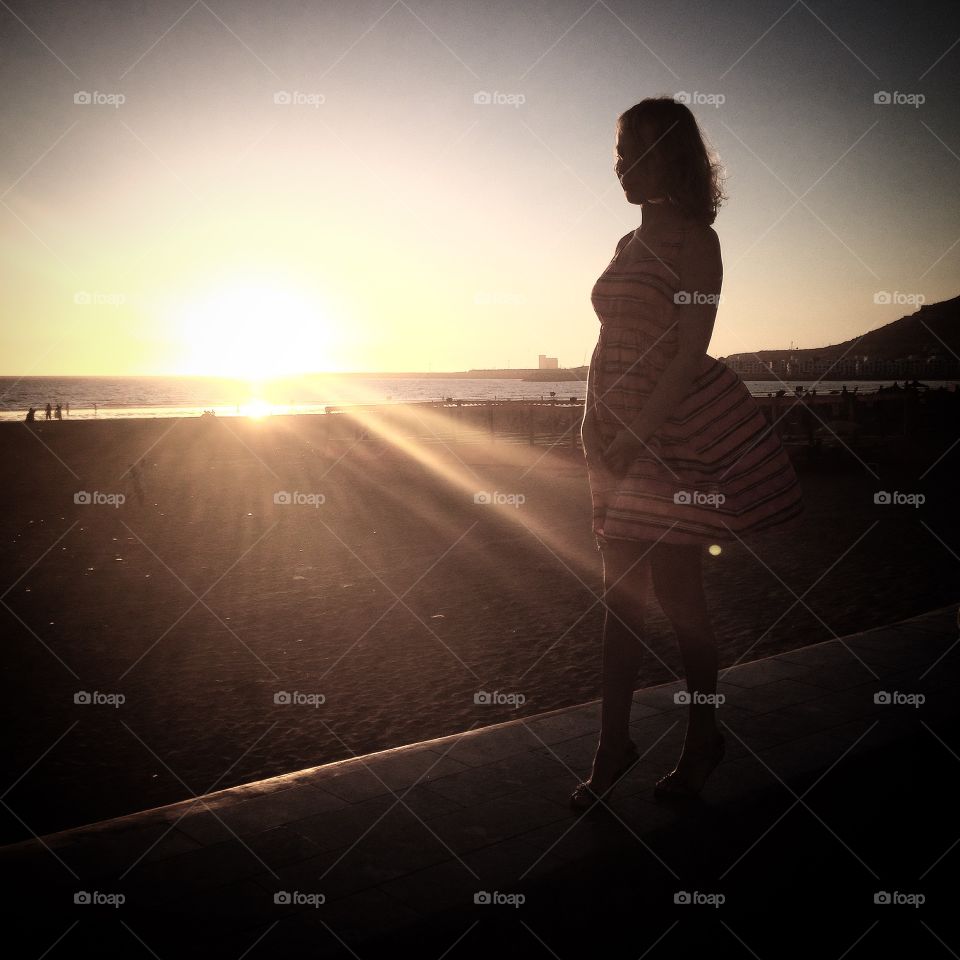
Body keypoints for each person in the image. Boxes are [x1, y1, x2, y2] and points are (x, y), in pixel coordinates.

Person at [574, 96, 804, 813]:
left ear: (671, 157)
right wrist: (589, 421)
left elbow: (687, 355)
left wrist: (632, 436)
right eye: (618, 151)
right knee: (619, 606)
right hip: (615, 436)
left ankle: (704, 734)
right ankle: (614, 745)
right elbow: (606, 340)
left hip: (672, 443)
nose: (621, 166)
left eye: (636, 151)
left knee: (680, 603)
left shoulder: (696, 242)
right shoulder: (625, 244)